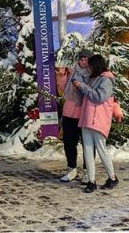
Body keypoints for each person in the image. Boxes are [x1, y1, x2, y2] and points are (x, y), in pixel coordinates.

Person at [73, 54, 123, 193]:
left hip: (98, 119)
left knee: (101, 149)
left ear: (96, 65)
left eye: (90, 66)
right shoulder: (93, 78)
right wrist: (80, 88)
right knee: (88, 151)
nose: (89, 68)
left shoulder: (106, 79)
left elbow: (98, 97)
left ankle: (112, 178)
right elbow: (88, 95)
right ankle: (91, 181)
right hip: (87, 118)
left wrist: (83, 86)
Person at [56, 49, 91, 182]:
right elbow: (62, 89)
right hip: (69, 111)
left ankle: (88, 171)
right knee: (69, 143)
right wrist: (61, 76)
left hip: (85, 112)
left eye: (86, 59)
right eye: (81, 59)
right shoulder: (72, 72)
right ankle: (71, 169)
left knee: (87, 144)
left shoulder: (94, 74)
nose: (83, 62)